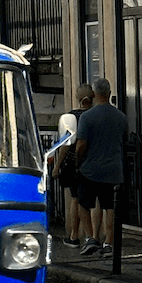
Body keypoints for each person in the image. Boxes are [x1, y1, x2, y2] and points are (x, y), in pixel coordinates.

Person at [75, 77, 128, 258]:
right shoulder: (121, 117)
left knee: (83, 204)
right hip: (113, 170)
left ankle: (91, 238)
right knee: (110, 207)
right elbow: (124, 140)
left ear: (94, 94)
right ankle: (108, 243)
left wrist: (78, 161)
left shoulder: (87, 117)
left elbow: (81, 144)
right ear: (109, 93)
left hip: (90, 169)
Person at [51, 83, 94, 246]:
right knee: (94, 201)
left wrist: (57, 165)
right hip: (94, 163)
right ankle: (95, 236)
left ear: (77, 97)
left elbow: (65, 144)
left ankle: (74, 235)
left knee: (75, 199)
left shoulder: (72, 116)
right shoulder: (96, 115)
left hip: (75, 164)